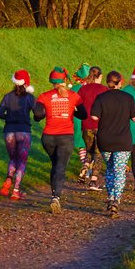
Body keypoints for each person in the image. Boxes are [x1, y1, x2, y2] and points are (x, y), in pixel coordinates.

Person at [33, 67, 85, 214]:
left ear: (52, 81)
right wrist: (73, 110)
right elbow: (83, 115)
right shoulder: (74, 96)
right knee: (60, 166)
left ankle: (54, 194)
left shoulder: (44, 96)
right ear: (64, 81)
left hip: (48, 137)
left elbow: (38, 115)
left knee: (55, 164)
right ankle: (56, 197)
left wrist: (38, 115)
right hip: (66, 137)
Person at [89, 71, 135, 218]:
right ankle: (116, 199)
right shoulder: (128, 98)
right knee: (119, 171)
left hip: (105, 139)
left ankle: (110, 198)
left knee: (110, 169)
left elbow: (94, 116)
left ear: (107, 82)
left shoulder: (101, 98)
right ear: (120, 83)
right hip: (123, 140)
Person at [0, 69, 36, 201]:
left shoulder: (7, 96)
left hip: (9, 132)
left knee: (13, 158)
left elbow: (0, 113)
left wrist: (10, 117)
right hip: (24, 131)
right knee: (22, 161)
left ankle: (8, 179)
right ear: (26, 83)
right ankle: (16, 190)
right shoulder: (29, 98)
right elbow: (38, 113)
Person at [76, 67, 108, 188]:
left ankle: (85, 167)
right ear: (100, 76)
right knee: (98, 153)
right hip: (100, 124)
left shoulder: (83, 89)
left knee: (89, 150)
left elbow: (77, 106)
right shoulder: (104, 89)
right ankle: (93, 180)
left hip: (86, 125)